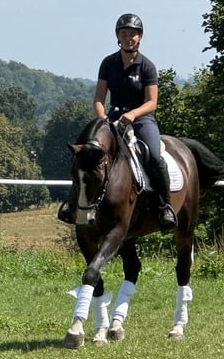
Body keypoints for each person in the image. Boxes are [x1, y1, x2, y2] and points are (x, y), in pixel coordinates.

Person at [58, 13, 177, 230]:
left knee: (153, 155)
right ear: (118, 37)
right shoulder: (108, 63)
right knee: (85, 153)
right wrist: (102, 116)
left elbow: (152, 102)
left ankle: (164, 206)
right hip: (113, 118)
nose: (128, 38)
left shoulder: (147, 66)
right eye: (124, 34)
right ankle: (71, 204)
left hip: (141, 119)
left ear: (139, 37)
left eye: (133, 34)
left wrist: (133, 115)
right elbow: (98, 99)